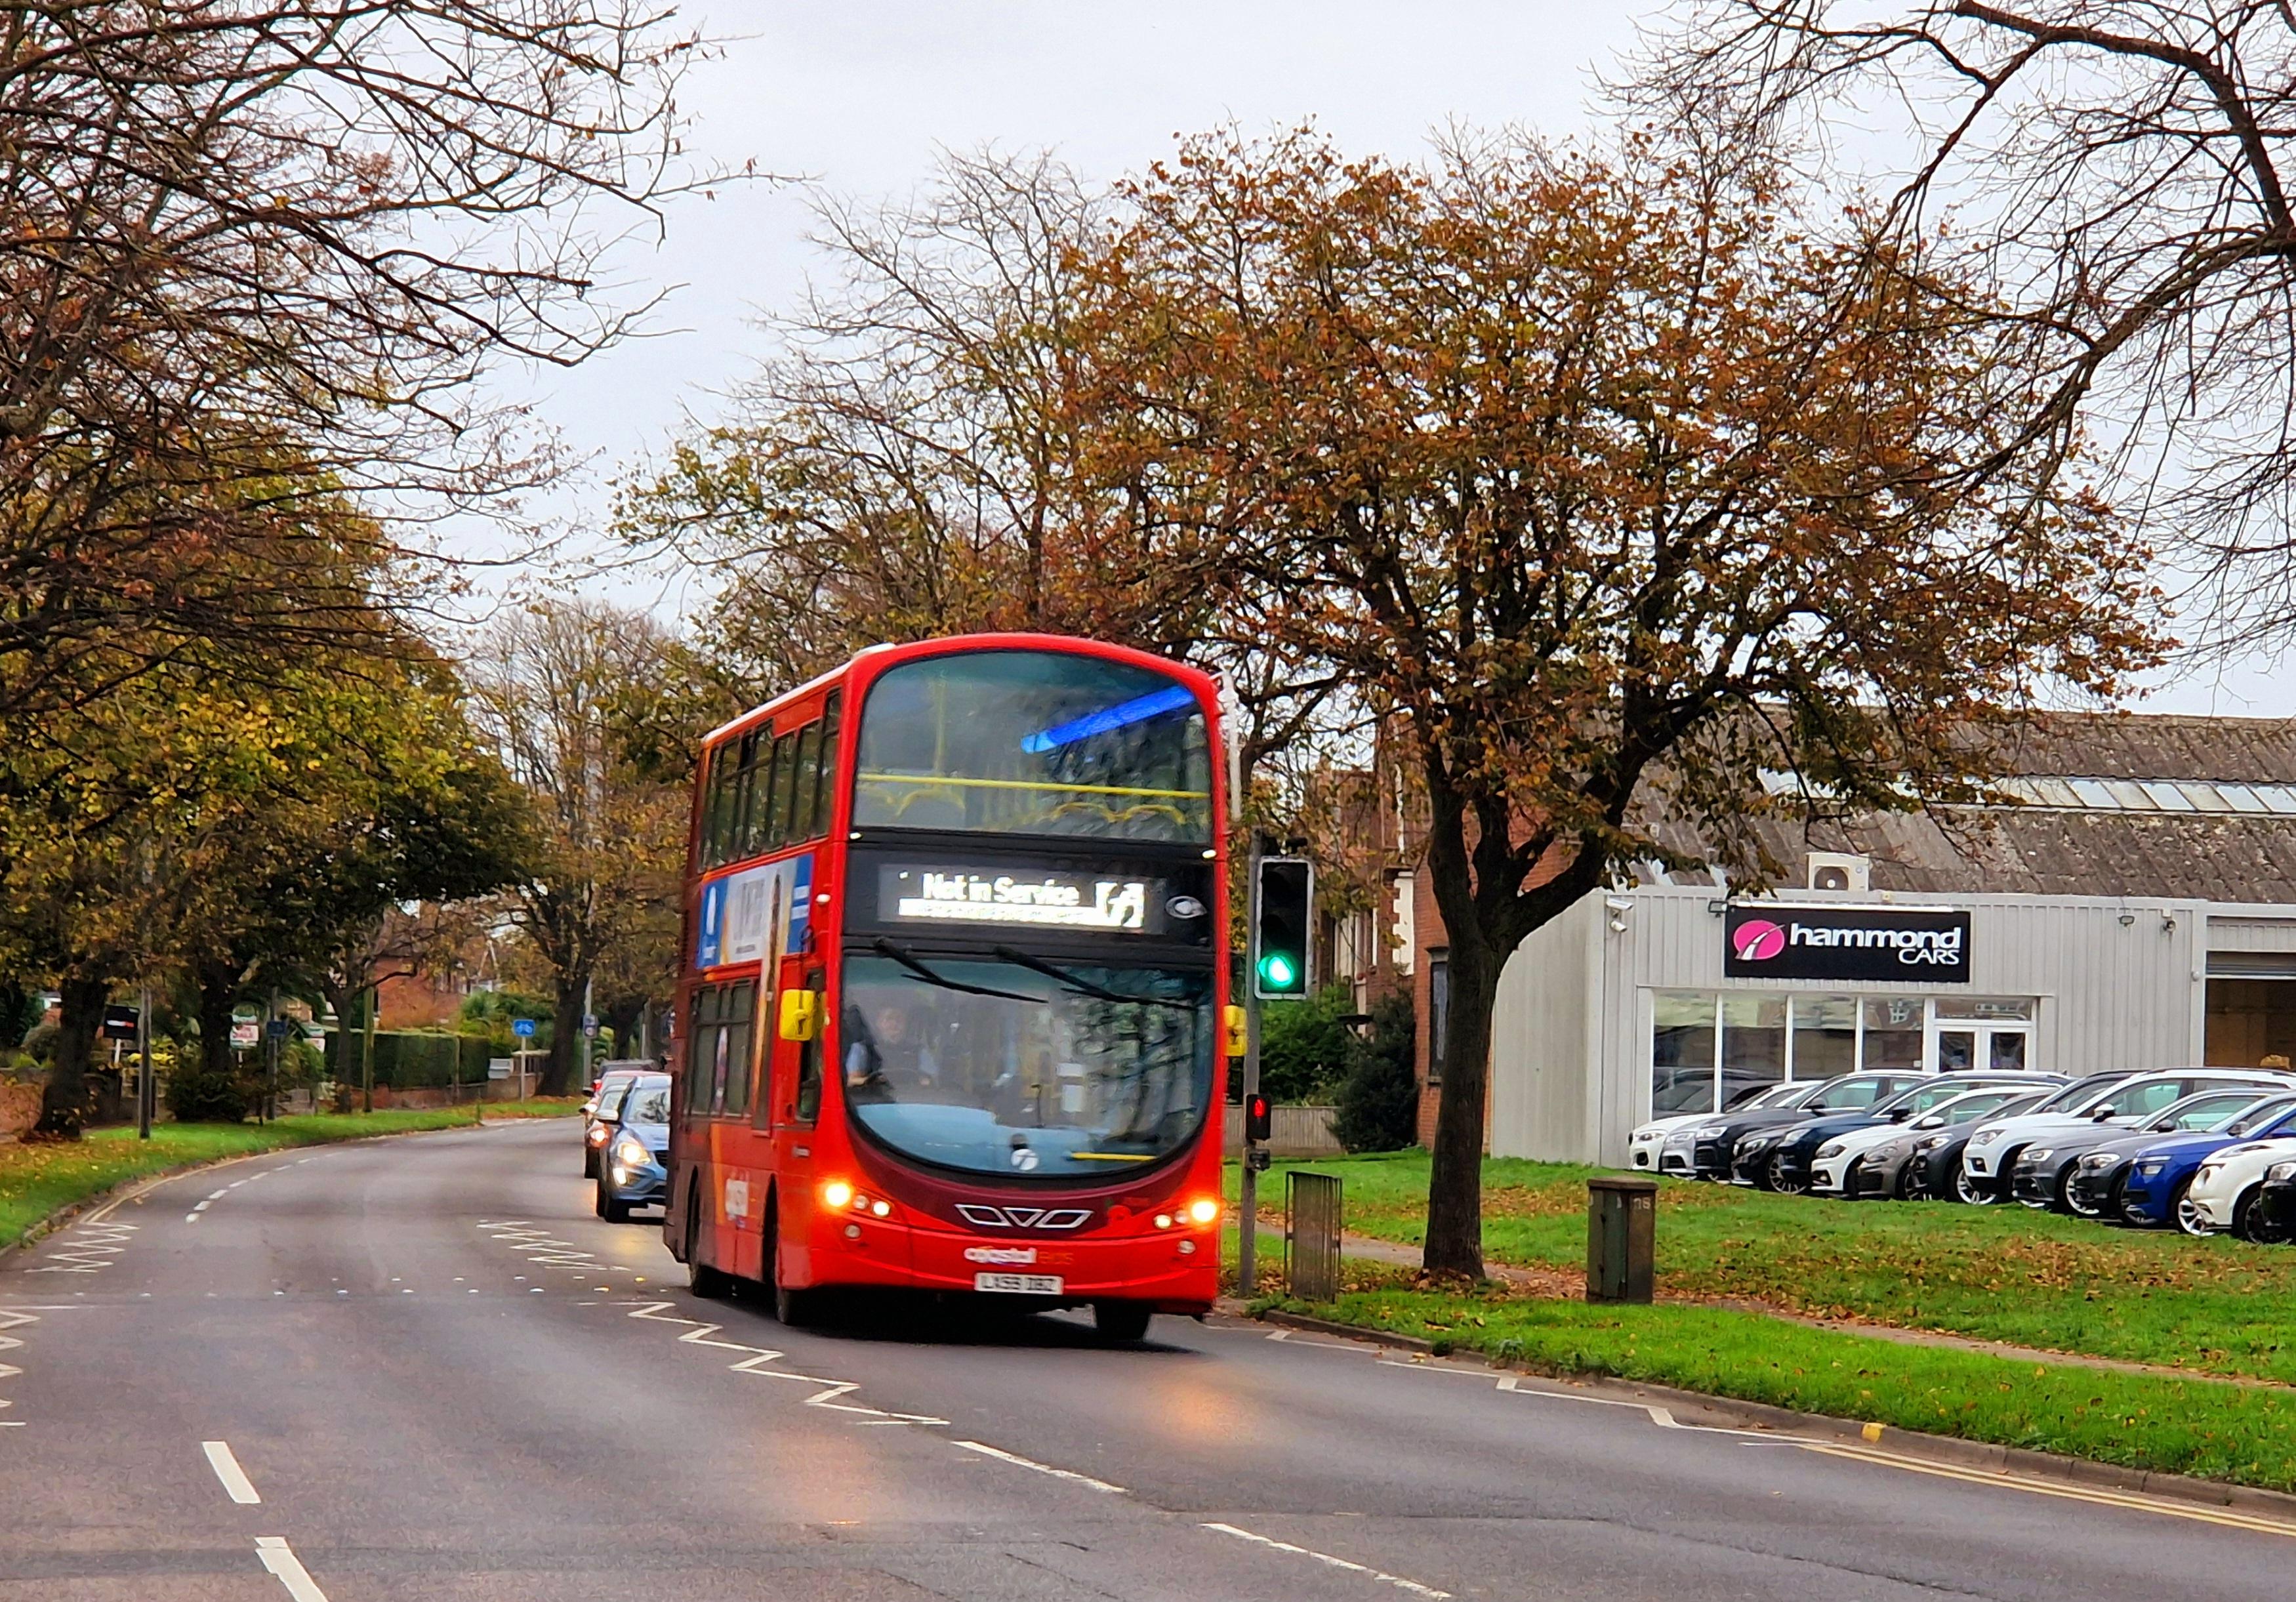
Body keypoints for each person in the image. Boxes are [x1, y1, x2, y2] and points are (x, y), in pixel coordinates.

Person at [842, 997, 939, 1099]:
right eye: (889, 1019)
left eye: (899, 1020)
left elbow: (934, 1081)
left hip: (912, 1101)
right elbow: (852, 1081)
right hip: (871, 1101)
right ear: (879, 1023)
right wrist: (874, 1081)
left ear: (906, 1024)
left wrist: (922, 1081)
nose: (894, 1025)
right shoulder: (862, 1049)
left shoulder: (919, 1051)